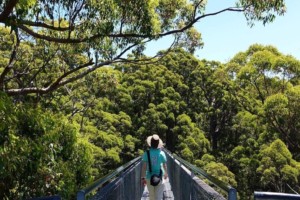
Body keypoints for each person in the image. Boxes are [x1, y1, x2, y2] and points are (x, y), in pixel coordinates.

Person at [141, 134, 168, 200]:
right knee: (158, 197)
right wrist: (166, 173)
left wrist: (143, 178)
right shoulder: (162, 153)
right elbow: (164, 165)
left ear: (150, 143)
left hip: (149, 177)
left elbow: (144, 167)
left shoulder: (146, 153)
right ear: (158, 144)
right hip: (160, 177)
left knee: (152, 196)